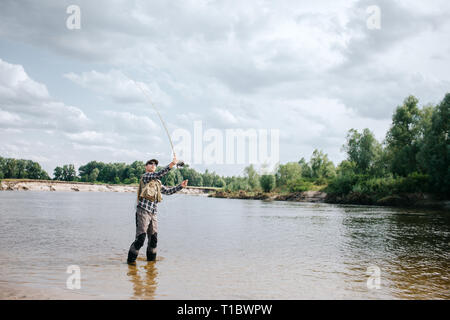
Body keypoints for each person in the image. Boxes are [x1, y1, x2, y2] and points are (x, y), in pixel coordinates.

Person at [127, 156, 188, 264]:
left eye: (155, 164)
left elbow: (168, 191)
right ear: (146, 167)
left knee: (154, 240)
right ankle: (130, 264)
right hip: (143, 211)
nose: (153, 165)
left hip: (153, 213)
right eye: (150, 163)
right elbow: (158, 174)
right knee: (141, 239)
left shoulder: (158, 182)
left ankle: (151, 266)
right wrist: (172, 164)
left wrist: (180, 186)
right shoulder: (146, 176)